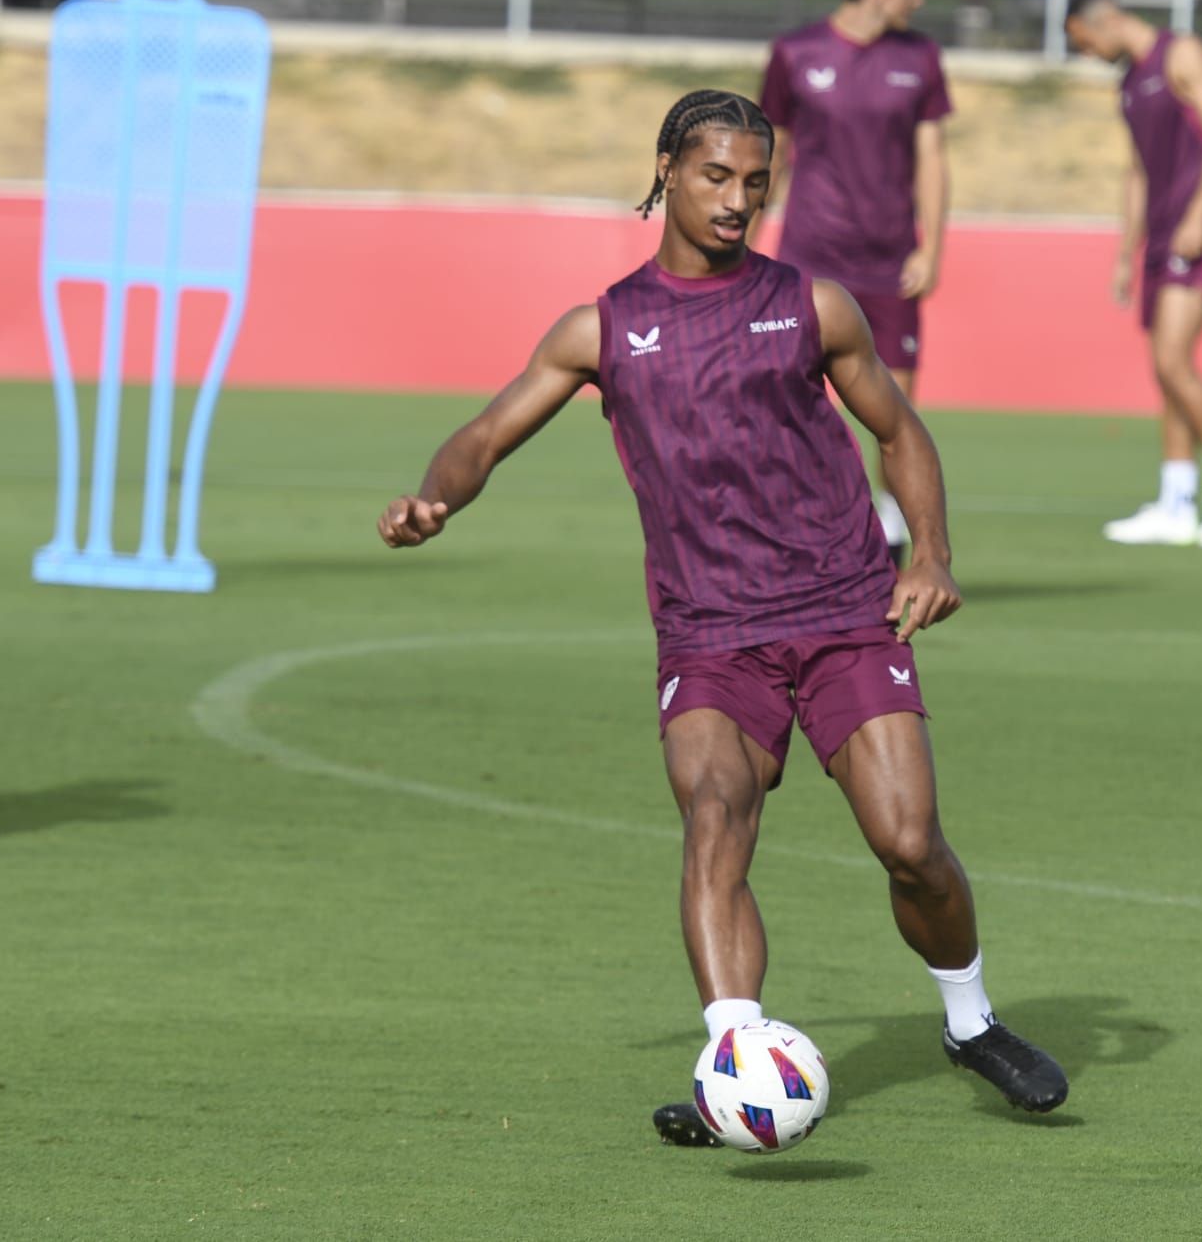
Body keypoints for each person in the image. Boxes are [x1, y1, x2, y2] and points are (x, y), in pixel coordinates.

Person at [377, 90, 1066, 1144]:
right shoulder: (599, 328)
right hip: (707, 632)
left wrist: (928, 553)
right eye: (715, 177)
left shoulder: (812, 306)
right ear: (665, 170)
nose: (738, 199)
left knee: (910, 842)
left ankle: (968, 1023)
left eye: (755, 181)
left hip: (840, 609)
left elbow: (899, 429)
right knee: (714, 815)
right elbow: (483, 434)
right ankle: (735, 1056)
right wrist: (435, 498)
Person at [759, 0, 951, 567]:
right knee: (792, 405)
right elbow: (775, 152)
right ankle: (801, 533)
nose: (918, 1)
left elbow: (932, 156)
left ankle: (893, 536)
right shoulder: (794, 53)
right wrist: (749, 243)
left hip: (891, 264)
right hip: (808, 263)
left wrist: (932, 247)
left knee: (893, 410)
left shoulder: (920, 58)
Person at [1065, 0, 1202, 548]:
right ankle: (1176, 502)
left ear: (1098, 23)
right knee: (1164, 367)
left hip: (1197, 230)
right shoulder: (1129, 83)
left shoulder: (1183, 55)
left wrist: (1201, 214)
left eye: (1084, 43)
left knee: (1174, 361)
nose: (1088, 53)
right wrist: (1126, 252)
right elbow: (1137, 172)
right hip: (1160, 237)